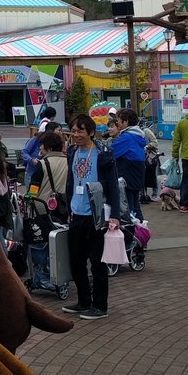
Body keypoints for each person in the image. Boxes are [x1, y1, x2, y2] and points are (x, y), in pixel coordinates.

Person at [62, 115, 122, 320]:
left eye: (80, 131)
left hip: (97, 216)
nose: (76, 135)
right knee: (76, 261)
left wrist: (115, 215)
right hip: (76, 213)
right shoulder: (72, 152)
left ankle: (100, 306)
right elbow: (71, 181)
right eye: (73, 131)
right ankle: (83, 301)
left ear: (91, 132)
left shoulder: (103, 153)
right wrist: (68, 209)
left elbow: (113, 185)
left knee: (97, 262)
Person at [111, 108, 148, 223]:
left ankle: (134, 230)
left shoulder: (126, 137)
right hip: (137, 175)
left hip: (127, 177)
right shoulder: (138, 135)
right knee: (135, 207)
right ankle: (141, 229)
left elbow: (109, 153)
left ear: (126, 121)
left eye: (118, 120)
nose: (117, 122)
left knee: (128, 209)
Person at [29, 129, 70, 222]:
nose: (40, 148)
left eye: (42, 145)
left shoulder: (42, 163)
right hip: (64, 206)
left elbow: (34, 185)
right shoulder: (68, 162)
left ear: (49, 148)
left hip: (44, 206)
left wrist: (30, 199)